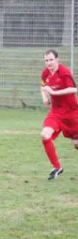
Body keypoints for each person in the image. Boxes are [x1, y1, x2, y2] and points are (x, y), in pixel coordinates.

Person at [40, 49, 78, 180]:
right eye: (46, 60)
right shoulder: (45, 74)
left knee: (76, 143)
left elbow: (74, 89)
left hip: (71, 113)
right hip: (55, 113)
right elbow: (43, 86)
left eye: (51, 60)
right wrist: (45, 97)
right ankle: (57, 167)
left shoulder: (64, 72)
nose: (49, 63)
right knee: (45, 135)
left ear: (57, 59)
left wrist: (54, 93)